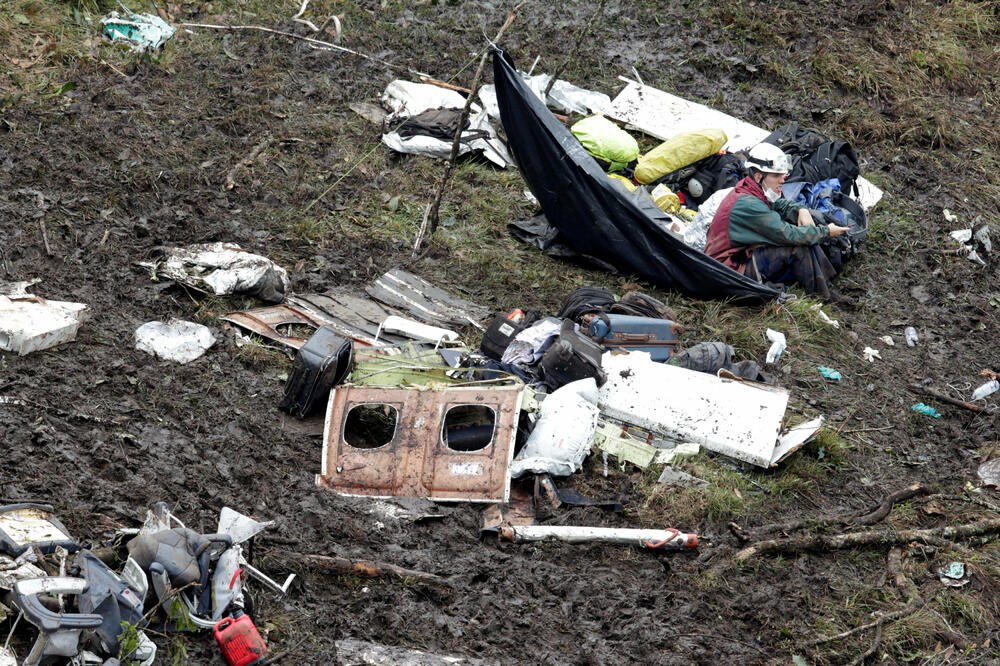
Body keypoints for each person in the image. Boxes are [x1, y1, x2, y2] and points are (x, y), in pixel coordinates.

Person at [703, 142, 849, 299]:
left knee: (805, 235)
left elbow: (781, 205)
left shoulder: (752, 189)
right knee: (798, 246)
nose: (782, 180)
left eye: (782, 175)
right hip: (728, 273)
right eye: (775, 175)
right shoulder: (749, 205)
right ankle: (824, 297)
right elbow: (788, 234)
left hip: (738, 258)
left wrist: (802, 210)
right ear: (759, 176)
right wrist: (826, 232)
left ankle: (827, 285)